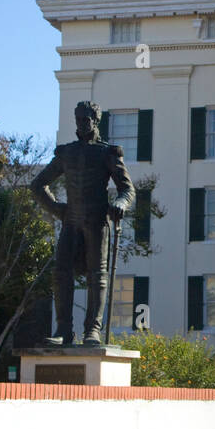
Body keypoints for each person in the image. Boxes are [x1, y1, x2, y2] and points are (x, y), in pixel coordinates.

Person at [30, 101, 135, 345]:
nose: (81, 124)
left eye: (85, 119)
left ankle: (93, 330)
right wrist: (58, 209)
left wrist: (120, 203)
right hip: (71, 221)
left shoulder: (106, 153)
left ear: (95, 121)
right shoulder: (66, 153)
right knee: (60, 273)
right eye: (78, 119)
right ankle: (64, 330)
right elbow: (37, 185)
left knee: (97, 275)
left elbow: (127, 189)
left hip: (97, 221)